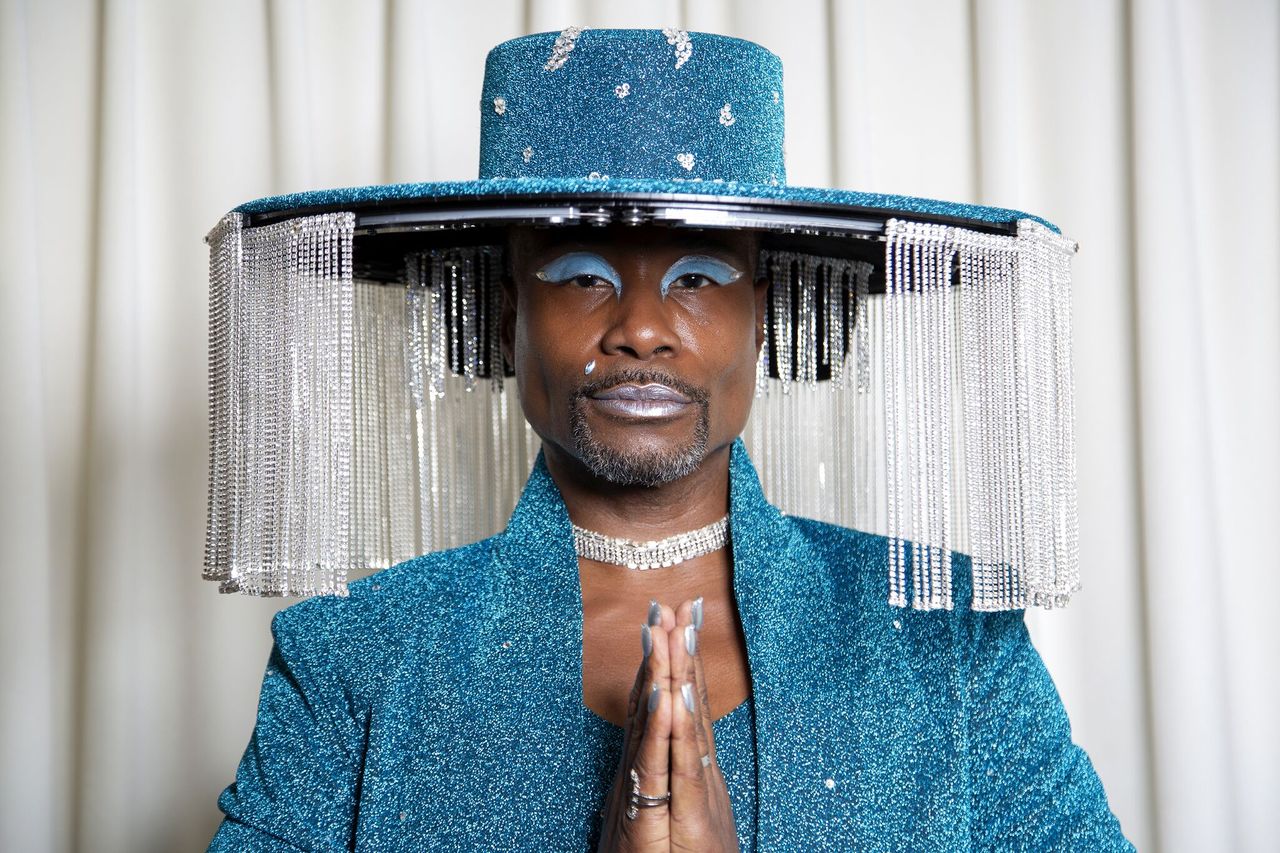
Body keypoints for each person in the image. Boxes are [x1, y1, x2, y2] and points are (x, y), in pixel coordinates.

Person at [206, 28, 1133, 851]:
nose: (642, 328)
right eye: (579, 275)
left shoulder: (949, 637)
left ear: (764, 319)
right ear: (504, 319)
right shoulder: (353, 656)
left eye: (698, 274)